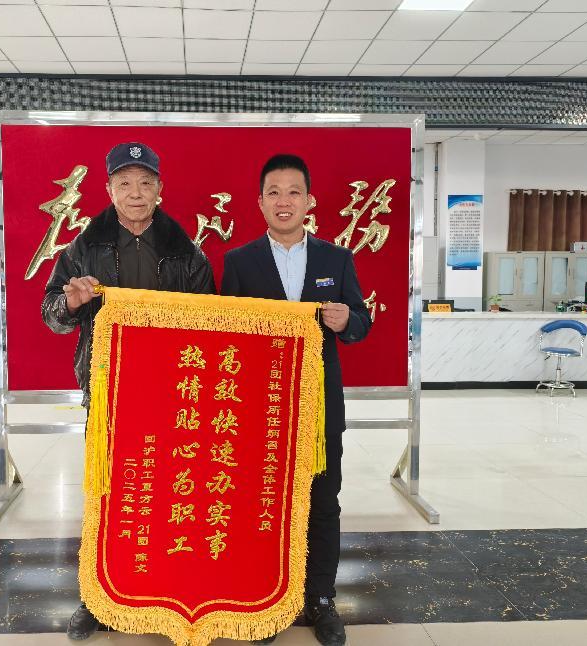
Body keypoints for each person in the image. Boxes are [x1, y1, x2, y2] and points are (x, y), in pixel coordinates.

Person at [41, 141, 216, 640]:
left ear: (160, 189)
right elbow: (51, 315)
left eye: (144, 183)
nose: (135, 193)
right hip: (108, 390)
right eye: (124, 183)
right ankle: (95, 597)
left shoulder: (187, 252)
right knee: (106, 492)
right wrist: (72, 303)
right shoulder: (82, 249)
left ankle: (165, 585)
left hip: (172, 395)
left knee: (169, 491)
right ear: (108, 190)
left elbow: (210, 323)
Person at [221, 154, 372, 646]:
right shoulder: (239, 262)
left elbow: (362, 321)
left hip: (320, 407)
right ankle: (264, 597)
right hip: (259, 410)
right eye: (274, 192)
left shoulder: (336, 259)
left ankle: (321, 598)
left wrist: (347, 321)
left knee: (323, 503)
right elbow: (227, 335)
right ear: (260, 202)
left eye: (293, 192)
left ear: (309, 201)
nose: (283, 201)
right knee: (261, 504)